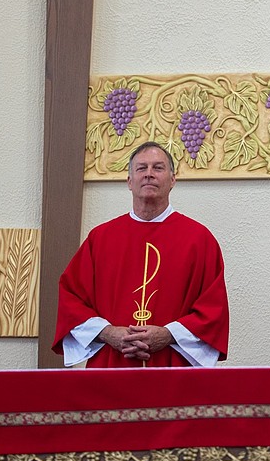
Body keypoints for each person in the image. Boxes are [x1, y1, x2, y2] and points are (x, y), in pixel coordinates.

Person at [53, 141, 229, 368]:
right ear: (129, 181)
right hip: (112, 367)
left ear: (173, 180)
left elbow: (213, 312)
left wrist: (168, 334)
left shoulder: (199, 240)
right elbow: (71, 301)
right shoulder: (101, 238)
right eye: (141, 168)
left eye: (158, 168)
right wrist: (108, 333)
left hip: (173, 370)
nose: (149, 174)